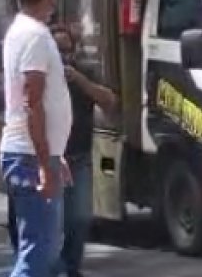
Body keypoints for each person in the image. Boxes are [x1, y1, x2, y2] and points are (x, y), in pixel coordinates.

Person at [0, 0, 73, 277]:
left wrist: (53, 153)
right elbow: (32, 101)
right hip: (28, 156)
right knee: (39, 251)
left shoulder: (20, 31)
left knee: (44, 249)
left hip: (31, 153)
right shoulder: (35, 36)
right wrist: (43, 161)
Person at [53, 28, 117, 277]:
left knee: (79, 218)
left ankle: (70, 267)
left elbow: (109, 101)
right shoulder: (41, 74)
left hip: (78, 157)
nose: (63, 56)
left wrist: (79, 79)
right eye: (57, 50)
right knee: (50, 223)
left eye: (67, 50)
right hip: (50, 158)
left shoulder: (83, 72)